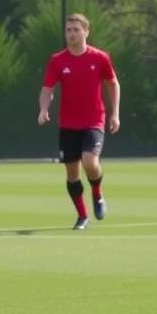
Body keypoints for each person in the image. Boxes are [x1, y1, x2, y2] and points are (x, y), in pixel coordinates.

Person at [38, 13, 121, 230]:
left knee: (90, 162)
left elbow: (113, 83)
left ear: (86, 32)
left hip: (94, 120)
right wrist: (44, 108)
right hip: (68, 124)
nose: (71, 34)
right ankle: (82, 216)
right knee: (72, 173)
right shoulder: (57, 60)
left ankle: (97, 193)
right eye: (68, 30)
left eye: (76, 29)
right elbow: (47, 89)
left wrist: (115, 113)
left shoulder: (100, 57)